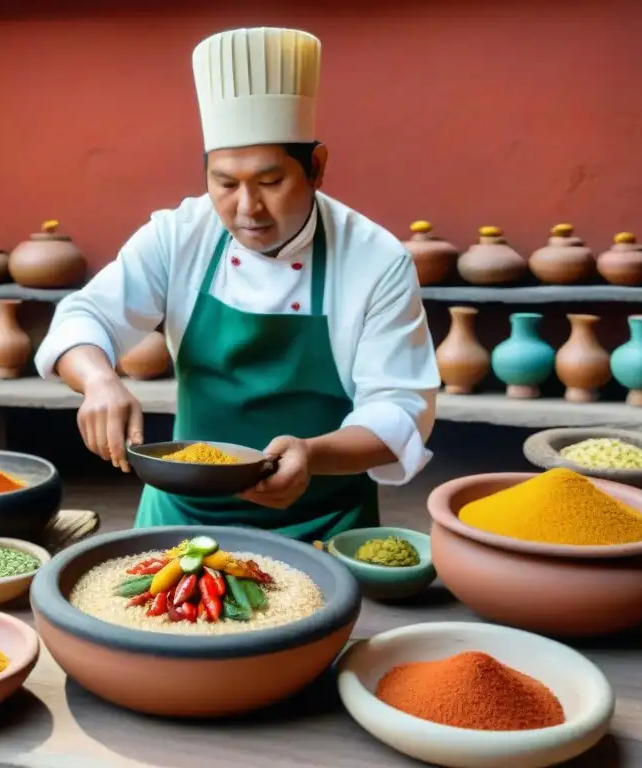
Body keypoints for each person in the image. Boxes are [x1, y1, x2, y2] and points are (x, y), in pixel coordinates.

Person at [34, 27, 441, 541]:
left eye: (271, 183)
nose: (247, 209)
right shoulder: (179, 235)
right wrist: (98, 380)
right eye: (225, 184)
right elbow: (83, 317)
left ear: (315, 168)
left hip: (322, 521)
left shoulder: (375, 260)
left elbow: (400, 412)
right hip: (181, 514)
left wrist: (310, 455)